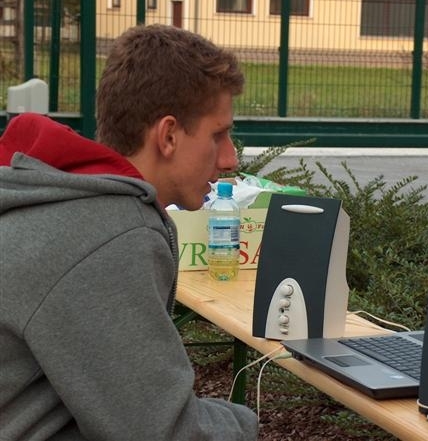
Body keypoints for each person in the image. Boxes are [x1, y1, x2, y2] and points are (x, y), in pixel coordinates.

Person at [0, 24, 258, 440]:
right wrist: (247, 424)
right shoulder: (110, 236)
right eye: (218, 135)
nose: (230, 158)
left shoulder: (54, 195)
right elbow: (164, 432)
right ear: (168, 135)